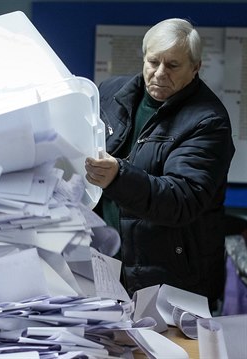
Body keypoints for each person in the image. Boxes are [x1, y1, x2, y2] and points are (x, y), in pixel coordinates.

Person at [84, 18, 235, 309]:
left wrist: (118, 177)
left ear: (196, 68)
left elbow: (183, 199)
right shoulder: (110, 93)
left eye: (173, 65)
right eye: (153, 62)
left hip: (173, 276)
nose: (160, 73)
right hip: (105, 264)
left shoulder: (208, 120)